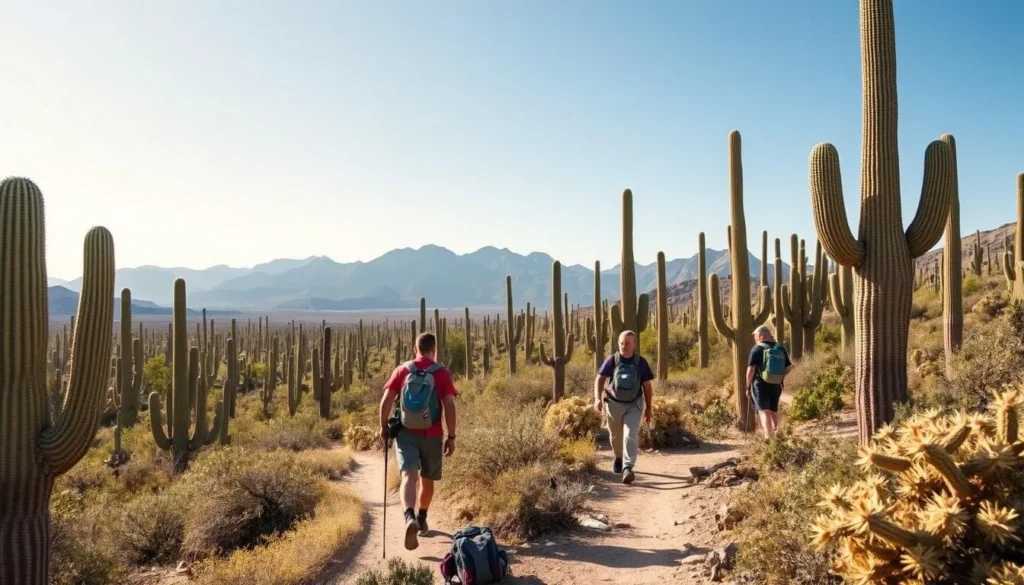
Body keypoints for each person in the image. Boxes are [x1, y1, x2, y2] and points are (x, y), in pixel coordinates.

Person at [379, 332, 458, 551]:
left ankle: (409, 517)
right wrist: (451, 436)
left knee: (408, 475)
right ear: (434, 349)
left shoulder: (402, 370)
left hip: (405, 433)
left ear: (415, 349)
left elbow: (386, 401)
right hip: (432, 434)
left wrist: (383, 427)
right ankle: (422, 518)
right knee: (427, 479)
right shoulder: (441, 373)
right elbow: (450, 406)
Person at [593, 330, 654, 484]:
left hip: (634, 403)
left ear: (634, 344)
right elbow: (600, 378)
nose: (624, 346)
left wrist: (649, 407)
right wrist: (597, 398)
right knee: (616, 436)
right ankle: (618, 457)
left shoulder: (641, 362)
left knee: (630, 434)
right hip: (613, 404)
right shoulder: (612, 360)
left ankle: (628, 467)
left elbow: (647, 386)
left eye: (627, 343)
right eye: (621, 343)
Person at [745, 325, 793, 438]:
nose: (755, 340)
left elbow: (751, 370)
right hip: (776, 384)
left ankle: (769, 438)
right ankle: (779, 435)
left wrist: (747, 387)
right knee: (774, 410)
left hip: (760, 385)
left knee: (763, 411)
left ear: (761, 336)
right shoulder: (779, 348)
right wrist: (778, 376)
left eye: (756, 337)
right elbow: (789, 367)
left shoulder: (757, 349)